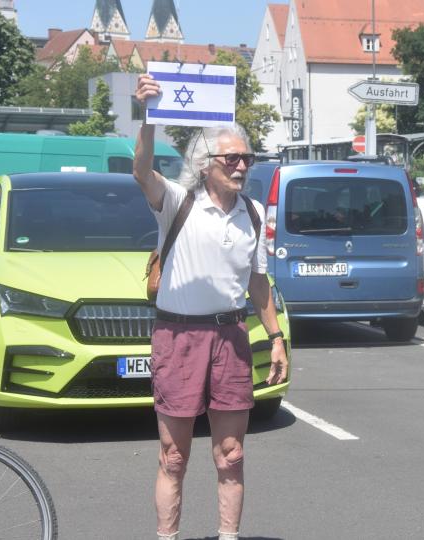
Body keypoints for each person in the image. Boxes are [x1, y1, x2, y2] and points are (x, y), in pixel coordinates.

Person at [134, 74, 289, 540]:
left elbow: (258, 284)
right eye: (232, 158)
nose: (241, 166)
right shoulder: (177, 202)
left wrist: (276, 338)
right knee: (173, 456)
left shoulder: (255, 213)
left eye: (247, 158)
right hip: (179, 337)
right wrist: (146, 114)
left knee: (232, 454)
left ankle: (228, 537)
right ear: (205, 165)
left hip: (231, 338)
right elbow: (142, 170)